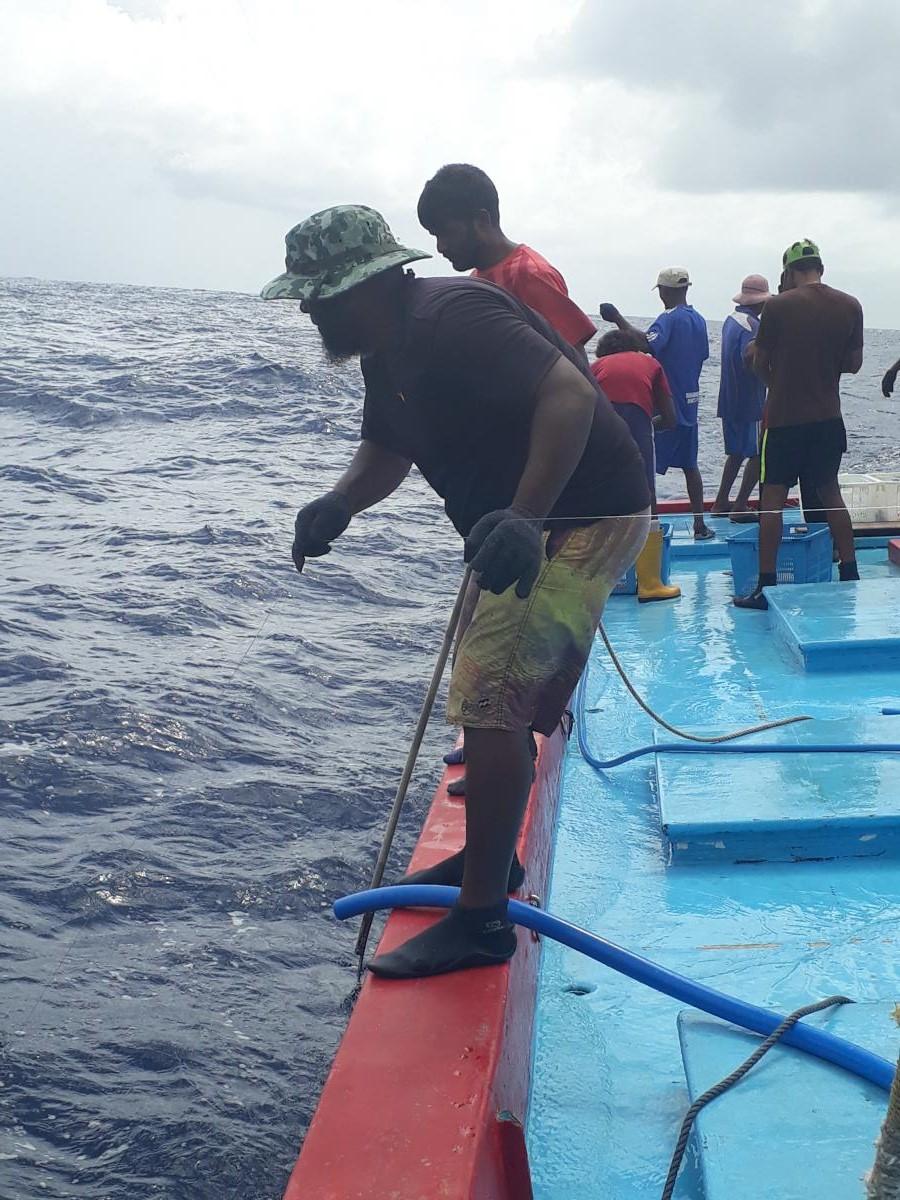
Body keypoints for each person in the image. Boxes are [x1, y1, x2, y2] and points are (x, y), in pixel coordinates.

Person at [262, 205, 650, 979]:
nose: (310, 308)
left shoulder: (455, 315)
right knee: (487, 688)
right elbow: (388, 445)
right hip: (526, 523)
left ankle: (481, 924)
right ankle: (490, 863)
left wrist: (526, 515)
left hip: (578, 515)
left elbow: (571, 397)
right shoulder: (386, 345)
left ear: (373, 283)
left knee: (489, 693)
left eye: (322, 292)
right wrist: (338, 502)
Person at [734, 239, 863, 609]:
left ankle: (766, 585)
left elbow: (759, 359)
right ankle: (850, 574)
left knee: (772, 499)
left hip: (784, 420)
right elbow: (853, 365)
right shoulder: (850, 305)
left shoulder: (778, 306)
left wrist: (774, 381)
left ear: (789, 271)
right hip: (828, 418)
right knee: (830, 492)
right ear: (820, 266)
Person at [417, 163, 596, 351]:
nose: (440, 247)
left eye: (447, 233)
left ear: (482, 221)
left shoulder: (531, 275)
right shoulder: (476, 279)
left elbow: (575, 365)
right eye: (435, 235)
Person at [600, 268, 713, 539]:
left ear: (666, 290)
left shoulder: (668, 319)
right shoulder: (699, 320)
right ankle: (699, 524)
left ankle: (650, 528)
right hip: (691, 401)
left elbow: (647, 344)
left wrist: (617, 319)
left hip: (666, 401)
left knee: (642, 463)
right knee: (690, 465)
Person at [591, 330, 680, 600]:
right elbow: (670, 418)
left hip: (597, 426)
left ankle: (596, 579)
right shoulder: (651, 363)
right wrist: (645, 428)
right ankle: (650, 583)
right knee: (646, 496)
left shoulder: (594, 366)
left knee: (597, 494)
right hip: (637, 422)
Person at [713, 275, 772, 517]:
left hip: (729, 399)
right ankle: (740, 505)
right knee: (758, 454)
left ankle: (720, 502)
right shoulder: (753, 325)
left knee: (736, 452)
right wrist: (770, 379)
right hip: (750, 401)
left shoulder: (730, 320)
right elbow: (750, 356)